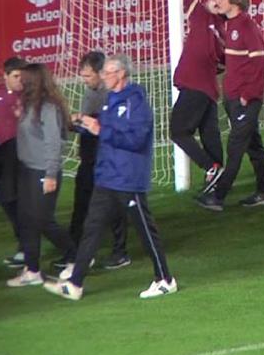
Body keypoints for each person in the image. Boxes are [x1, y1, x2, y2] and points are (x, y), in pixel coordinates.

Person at [44, 54, 177, 300]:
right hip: (107, 177)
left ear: (121, 74)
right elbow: (104, 131)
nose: (103, 76)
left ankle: (165, 279)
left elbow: (135, 140)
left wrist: (101, 129)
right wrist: (81, 123)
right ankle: (75, 283)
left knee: (146, 231)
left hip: (128, 178)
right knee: (91, 229)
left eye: (108, 72)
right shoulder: (110, 100)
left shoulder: (136, 102)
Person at [196, 0, 264, 211]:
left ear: (235, 2)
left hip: (244, 99)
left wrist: (247, 95)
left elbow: (259, 64)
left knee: (236, 146)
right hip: (233, 97)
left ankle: (219, 196)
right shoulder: (230, 25)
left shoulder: (246, 26)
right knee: (254, 146)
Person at [6, 63, 76, 288]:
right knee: (26, 220)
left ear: (33, 82)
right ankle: (32, 269)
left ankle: (76, 257)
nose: (19, 82)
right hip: (27, 169)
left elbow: (53, 143)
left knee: (43, 220)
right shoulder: (29, 104)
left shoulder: (48, 107)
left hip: (43, 171)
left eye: (23, 79)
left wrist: (51, 174)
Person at [167, 0, 226, 193]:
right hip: (205, 90)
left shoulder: (227, 28)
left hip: (198, 87)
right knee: (210, 135)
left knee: (178, 131)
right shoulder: (199, 14)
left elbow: (227, 61)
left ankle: (211, 169)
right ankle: (218, 184)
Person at [65, 51, 130, 271]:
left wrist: (83, 120)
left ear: (102, 73)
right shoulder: (89, 93)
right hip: (90, 157)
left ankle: (120, 252)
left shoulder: (112, 94)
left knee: (113, 205)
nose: (85, 80)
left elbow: (109, 126)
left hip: (108, 158)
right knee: (83, 203)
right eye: (82, 76)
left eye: (88, 76)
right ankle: (74, 251)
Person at [0, 57, 26, 268]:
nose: (20, 80)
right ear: (5, 76)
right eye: (15, 76)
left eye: (22, 76)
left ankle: (26, 249)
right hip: (4, 161)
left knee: (22, 205)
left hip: (24, 159)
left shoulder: (29, 97)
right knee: (9, 202)